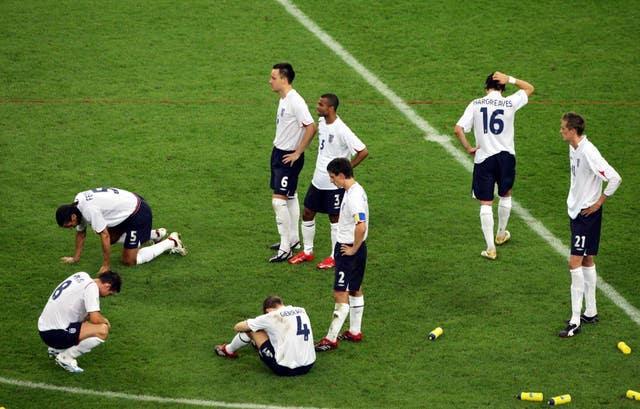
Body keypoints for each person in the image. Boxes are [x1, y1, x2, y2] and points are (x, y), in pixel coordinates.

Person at [454, 71, 534, 260]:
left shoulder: (476, 104)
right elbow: (530, 88)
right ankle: (500, 234)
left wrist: (468, 148)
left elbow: (458, 129)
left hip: (485, 157)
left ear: (485, 87)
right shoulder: (510, 102)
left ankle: (490, 248)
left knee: (486, 202)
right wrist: (512, 79)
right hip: (506, 157)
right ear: (503, 88)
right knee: (505, 194)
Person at [558, 112, 621, 338]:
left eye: (563, 128)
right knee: (586, 259)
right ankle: (591, 310)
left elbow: (614, 178)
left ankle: (575, 320)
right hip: (577, 211)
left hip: (587, 214)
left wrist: (598, 203)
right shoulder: (573, 147)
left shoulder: (589, 152)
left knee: (573, 262)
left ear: (573, 131)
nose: (561, 131)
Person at [289, 93, 369, 269]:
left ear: (330, 108)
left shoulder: (342, 130)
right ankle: (308, 251)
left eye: (321, 104)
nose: (317, 107)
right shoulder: (322, 122)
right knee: (308, 213)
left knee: (335, 218)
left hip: (334, 184)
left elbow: (363, 151)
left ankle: (334, 256)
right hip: (318, 180)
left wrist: (346, 170)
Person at [56, 187, 186, 274]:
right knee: (109, 236)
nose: (71, 228)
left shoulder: (89, 210)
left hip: (138, 214)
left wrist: (106, 265)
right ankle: (154, 234)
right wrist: (75, 258)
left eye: (69, 225)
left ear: (73, 216)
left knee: (128, 261)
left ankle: (171, 242)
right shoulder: (78, 202)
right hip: (127, 208)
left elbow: (104, 235)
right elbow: (81, 232)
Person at [315, 158, 368, 351]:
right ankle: (355, 331)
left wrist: (352, 249)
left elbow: (360, 226)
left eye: (332, 177)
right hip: (359, 247)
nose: (331, 181)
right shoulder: (355, 190)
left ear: (342, 175)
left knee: (340, 291)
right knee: (355, 288)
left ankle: (331, 338)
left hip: (349, 249)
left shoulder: (353, 197)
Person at [268, 62, 317, 263]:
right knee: (290, 197)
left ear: (284, 79)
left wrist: (298, 153)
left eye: (273, 77)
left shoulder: (295, 101)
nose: (270, 81)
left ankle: (285, 247)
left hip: (289, 157)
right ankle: (294, 239)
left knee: (278, 201)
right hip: (279, 153)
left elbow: (311, 126)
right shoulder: (284, 98)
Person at [38, 270, 122, 373]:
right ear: (108, 286)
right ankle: (66, 358)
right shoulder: (91, 288)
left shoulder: (81, 275)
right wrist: (104, 320)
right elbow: (95, 319)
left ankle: (56, 349)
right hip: (55, 334)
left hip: (44, 327)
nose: (105, 296)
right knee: (102, 330)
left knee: (86, 318)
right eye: (109, 294)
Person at [214, 295, 316, 376]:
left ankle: (228, 350)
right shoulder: (302, 310)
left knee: (252, 330)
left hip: (285, 368)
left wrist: (256, 324)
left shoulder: (271, 316)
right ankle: (255, 343)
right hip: (309, 364)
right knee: (275, 330)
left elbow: (238, 327)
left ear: (268, 310)